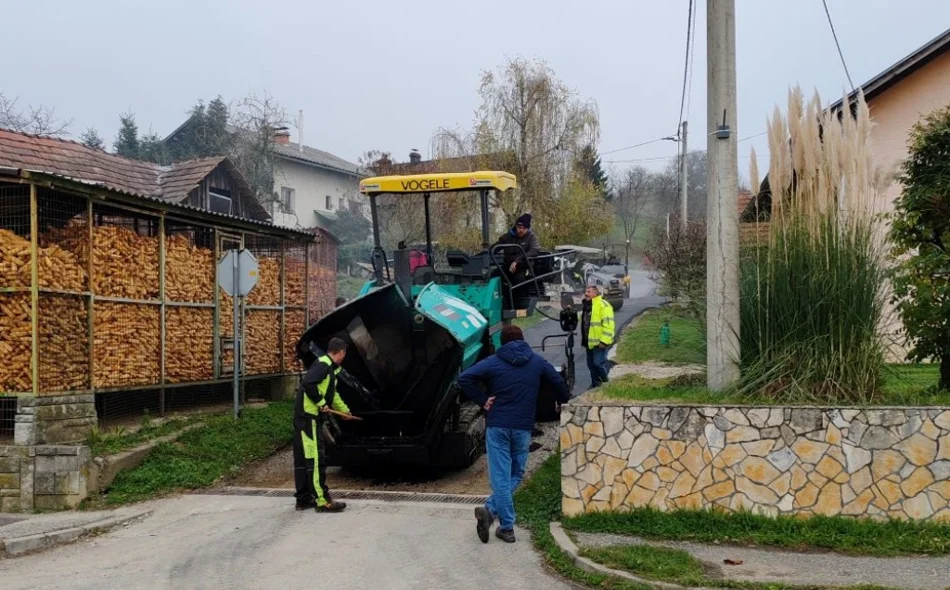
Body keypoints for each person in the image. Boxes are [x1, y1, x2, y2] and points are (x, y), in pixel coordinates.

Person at [458, 325, 570, 544]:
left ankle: (492, 512)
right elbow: (558, 381)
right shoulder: (537, 362)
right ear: (522, 340)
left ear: (502, 342)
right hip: (522, 427)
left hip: (498, 426)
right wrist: (562, 402)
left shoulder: (493, 362)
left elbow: (464, 378)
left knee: (501, 476)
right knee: (516, 473)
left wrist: (482, 400)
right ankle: (505, 525)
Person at [293, 337, 356, 513]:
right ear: (341, 352)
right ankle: (322, 501)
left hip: (306, 417)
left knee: (302, 459)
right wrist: (321, 403)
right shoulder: (323, 365)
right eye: (345, 353)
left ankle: (303, 499)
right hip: (309, 417)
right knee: (315, 459)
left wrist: (345, 412)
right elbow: (307, 384)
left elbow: (332, 394)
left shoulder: (330, 369)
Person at [583, 285, 615, 387]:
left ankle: (606, 385)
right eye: (586, 292)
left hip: (599, 342)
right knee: (591, 365)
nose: (586, 293)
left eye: (588, 292)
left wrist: (604, 341)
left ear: (595, 293)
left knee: (598, 364)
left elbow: (609, 325)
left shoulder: (603, 305)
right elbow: (584, 319)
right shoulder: (587, 306)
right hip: (589, 342)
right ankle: (596, 386)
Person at [495, 213, 541, 279]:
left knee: (519, 280)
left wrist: (517, 260)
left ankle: (521, 289)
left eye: (524, 228)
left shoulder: (531, 237)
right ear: (516, 226)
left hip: (524, 266)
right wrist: (484, 253)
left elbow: (535, 250)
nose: (521, 230)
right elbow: (496, 247)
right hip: (508, 265)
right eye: (519, 227)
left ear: (528, 229)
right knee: (494, 275)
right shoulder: (508, 237)